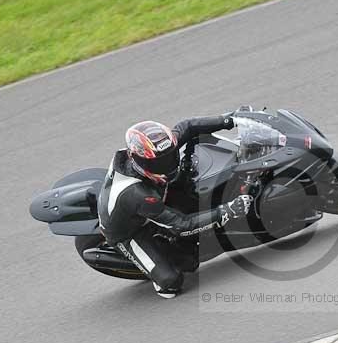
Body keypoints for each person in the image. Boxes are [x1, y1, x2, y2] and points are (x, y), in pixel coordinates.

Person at [97, 116, 253, 299]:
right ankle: (155, 266)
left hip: (153, 197)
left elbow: (188, 126)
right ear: (137, 160)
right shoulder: (137, 194)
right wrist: (227, 211)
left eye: (170, 156)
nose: (167, 165)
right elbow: (182, 225)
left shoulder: (154, 151)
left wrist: (230, 120)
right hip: (129, 231)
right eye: (157, 163)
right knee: (173, 281)